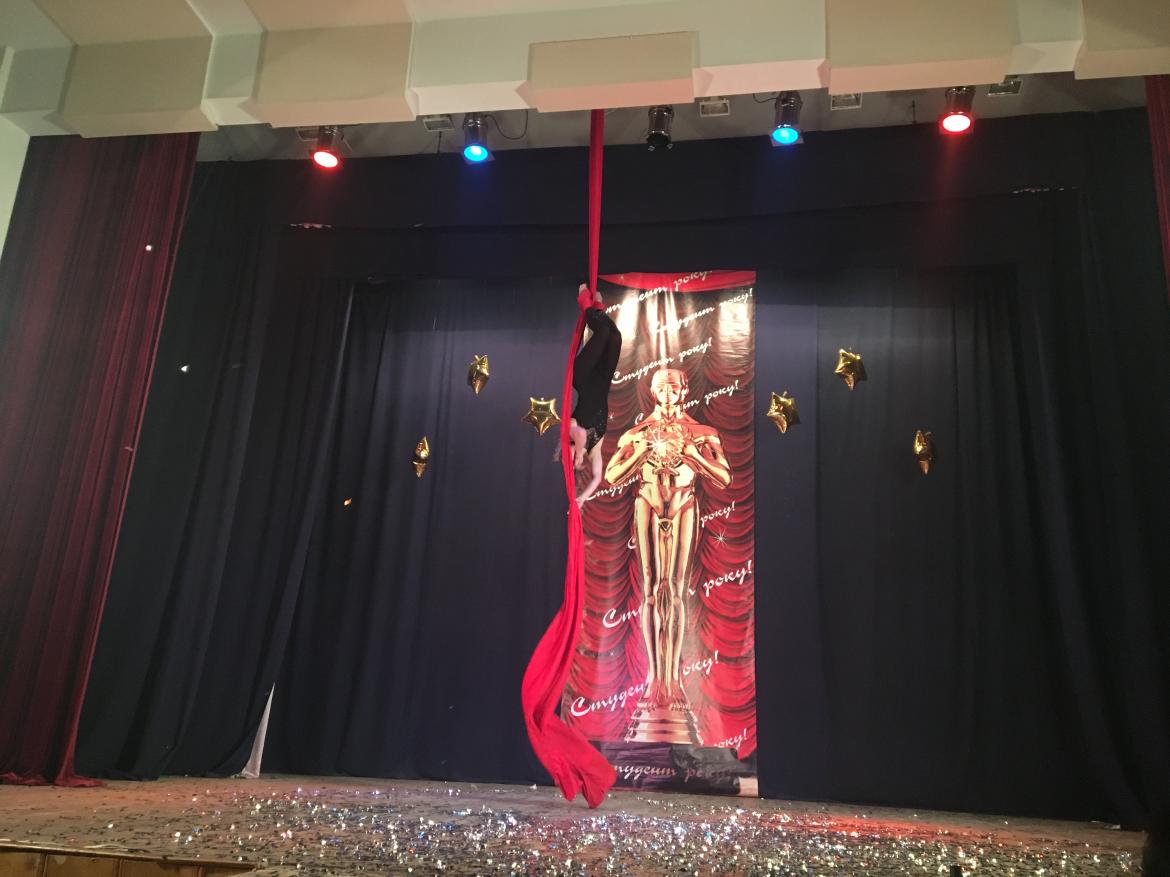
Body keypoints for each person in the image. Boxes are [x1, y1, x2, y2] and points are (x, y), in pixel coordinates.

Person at [603, 367, 731, 740]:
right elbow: (612, 475)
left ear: (684, 390)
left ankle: (672, 681)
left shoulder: (702, 432)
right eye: (661, 388)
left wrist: (694, 456)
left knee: (674, 590)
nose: (667, 393)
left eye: (673, 387)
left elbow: (724, 477)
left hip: (683, 503)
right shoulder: (638, 433)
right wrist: (641, 453)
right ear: (652, 392)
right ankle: (652, 682)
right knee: (650, 589)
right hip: (647, 501)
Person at [562, 283, 622, 509]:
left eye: (570, 456)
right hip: (603, 378)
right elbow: (598, 477)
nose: (575, 457)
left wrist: (577, 451)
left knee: (603, 333)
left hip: (584, 375)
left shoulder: (570, 430)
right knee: (615, 336)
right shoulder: (595, 449)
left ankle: (586, 304)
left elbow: (578, 434)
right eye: (575, 460)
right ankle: (597, 308)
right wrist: (581, 499)